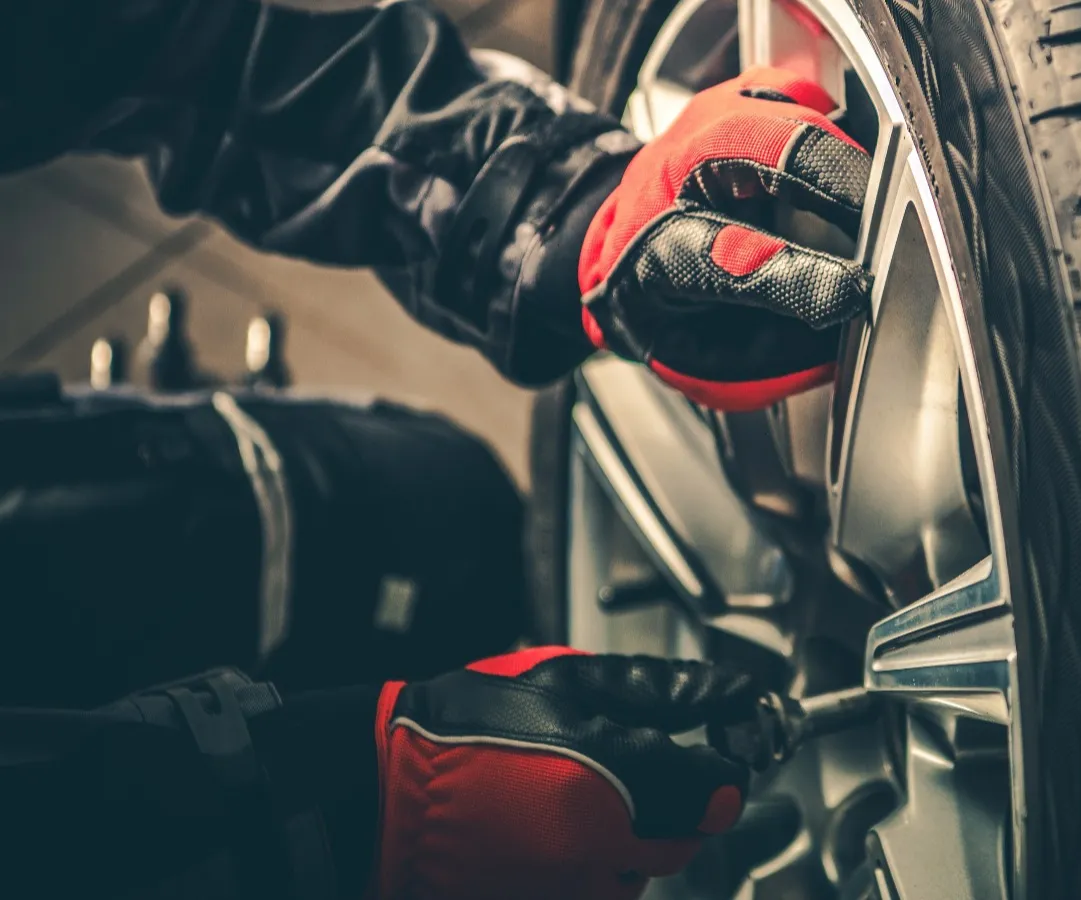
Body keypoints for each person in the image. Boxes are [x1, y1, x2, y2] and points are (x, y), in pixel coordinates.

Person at [0, 1, 873, 898]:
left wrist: (561, 214)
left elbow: (162, 49)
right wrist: (319, 825)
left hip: (150, 504)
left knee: (449, 508)